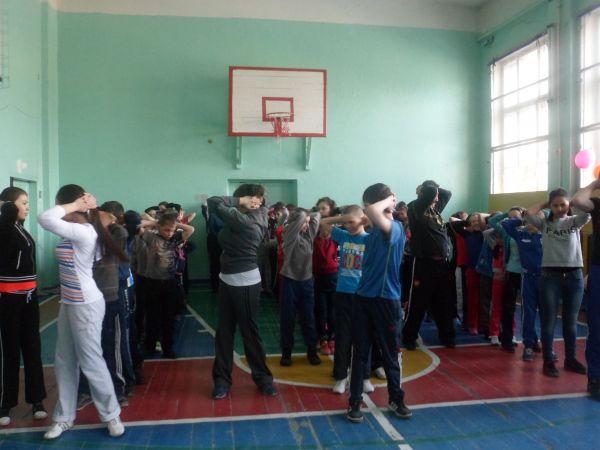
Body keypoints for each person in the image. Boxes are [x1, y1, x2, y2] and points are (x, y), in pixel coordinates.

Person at [37, 184, 125, 439]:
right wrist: (78, 206)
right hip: (69, 302)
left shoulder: (85, 232)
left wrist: (77, 205)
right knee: (64, 360)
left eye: (62, 205)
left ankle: (111, 415)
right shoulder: (78, 231)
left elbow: (44, 218)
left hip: (86, 304)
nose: (60, 210)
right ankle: (64, 418)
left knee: (91, 360)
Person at [346, 183, 411, 423]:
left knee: (391, 355)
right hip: (363, 300)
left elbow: (374, 211)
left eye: (366, 204)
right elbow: (364, 216)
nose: (365, 209)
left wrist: (390, 200)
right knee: (360, 353)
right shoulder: (373, 231)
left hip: (387, 301)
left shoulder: (396, 228)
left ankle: (396, 399)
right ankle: (354, 401)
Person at [208, 185, 277, 399]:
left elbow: (213, 201)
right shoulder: (246, 215)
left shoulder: (250, 220)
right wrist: (245, 202)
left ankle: (263, 379)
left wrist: (242, 202)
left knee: (250, 333)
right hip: (226, 280)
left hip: (245, 282)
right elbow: (214, 203)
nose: (239, 201)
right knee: (224, 333)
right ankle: (221, 380)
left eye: (244, 198)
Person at [526, 188, 590, 378]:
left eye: (563, 205)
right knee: (549, 322)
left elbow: (588, 211)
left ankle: (570, 359)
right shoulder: (544, 223)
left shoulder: (574, 221)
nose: (560, 208)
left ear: (569, 205)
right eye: (556, 205)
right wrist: (546, 203)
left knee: (570, 322)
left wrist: (573, 201)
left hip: (574, 276)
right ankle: (548, 361)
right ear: (550, 206)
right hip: (550, 276)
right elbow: (528, 213)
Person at [0, 187, 47, 426]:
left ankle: (37, 400)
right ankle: (5, 403)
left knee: (32, 347)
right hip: (8, 299)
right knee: (9, 351)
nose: (28, 207)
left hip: (29, 298)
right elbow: (5, 221)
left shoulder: (21, 228)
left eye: (28, 203)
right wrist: (5, 207)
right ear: (8, 206)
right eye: (23, 203)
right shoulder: (4, 228)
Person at [319, 205, 369, 394]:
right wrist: (342, 218)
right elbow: (322, 222)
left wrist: (363, 218)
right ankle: (341, 376)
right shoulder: (343, 236)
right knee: (343, 337)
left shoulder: (369, 239)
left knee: (363, 338)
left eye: (351, 222)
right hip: (342, 294)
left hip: (363, 296)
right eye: (345, 223)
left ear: (363, 220)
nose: (348, 226)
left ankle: (364, 376)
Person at [403, 180, 456, 349]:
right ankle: (409, 337)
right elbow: (429, 194)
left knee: (444, 302)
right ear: (425, 194)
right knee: (418, 303)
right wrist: (426, 189)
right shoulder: (415, 208)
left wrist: (434, 188)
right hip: (423, 263)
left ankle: (447, 336)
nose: (438, 197)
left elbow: (447, 193)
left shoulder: (435, 210)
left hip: (442, 265)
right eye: (435, 194)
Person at [141, 212, 194, 359]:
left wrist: (175, 225)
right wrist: (156, 223)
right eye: (166, 230)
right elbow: (140, 226)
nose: (169, 233)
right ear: (159, 228)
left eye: (172, 230)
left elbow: (190, 229)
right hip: (153, 283)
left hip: (170, 283)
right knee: (153, 318)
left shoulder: (176, 238)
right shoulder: (151, 237)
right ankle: (150, 347)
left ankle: (168, 348)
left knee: (169, 319)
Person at [279, 207, 321, 366]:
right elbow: (301, 217)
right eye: (304, 223)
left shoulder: (308, 236)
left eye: (308, 223)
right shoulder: (289, 235)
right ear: (295, 222)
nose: (307, 225)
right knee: (288, 318)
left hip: (307, 282)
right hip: (290, 281)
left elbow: (317, 215)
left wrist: (309, 216)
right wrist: (302, 216)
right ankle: (286, 352)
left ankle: (311, 350)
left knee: (308, 317)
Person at [571, 179, 600, 398]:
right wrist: (596, 183)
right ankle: (596, 378)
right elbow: (577, 200)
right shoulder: (598, 205)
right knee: (597, 326)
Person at [501, 212, 543, 361]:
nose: (532, 223)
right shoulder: (520, 234)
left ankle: (548, 347)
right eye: (530, 220)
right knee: (528, 313)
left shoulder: (547, 235)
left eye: (535, 220)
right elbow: (505, 224)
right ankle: (529, 345)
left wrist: (541, 216)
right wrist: (522, 219)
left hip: (547, 280)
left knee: (547, 315)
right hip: (528, 279)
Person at [313, 197, 339, 355]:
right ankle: (322, 338)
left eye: (324, 208)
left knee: (332, 311)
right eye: (318, 208)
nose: (320, 211)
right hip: (318, 277)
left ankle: (332, 338)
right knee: (320, 310)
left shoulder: (337, 233)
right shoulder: (313, 231)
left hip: (334, 276)